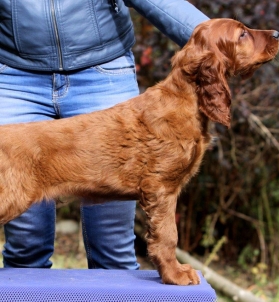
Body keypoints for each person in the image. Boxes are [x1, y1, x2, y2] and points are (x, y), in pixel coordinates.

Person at [0, 0, 209, 269]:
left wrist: (218, 38)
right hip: (14, 74)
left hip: (101, 70)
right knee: (25, 244)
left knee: (112, 244)